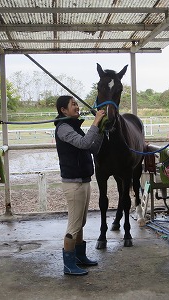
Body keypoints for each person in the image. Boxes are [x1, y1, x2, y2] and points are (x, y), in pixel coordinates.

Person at [54, 95, 106, 276]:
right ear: (63, 110)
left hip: (84, 180)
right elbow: (84, 144)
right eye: (73, 104)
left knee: (81, 222)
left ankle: (79, 257)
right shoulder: (63, 128)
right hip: (73, 184)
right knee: (74, 226)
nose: (77, 107)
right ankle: (69, 264)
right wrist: (96, 121)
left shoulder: (74, 127)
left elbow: (93, 148)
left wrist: (100, 129)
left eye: (77, 103)